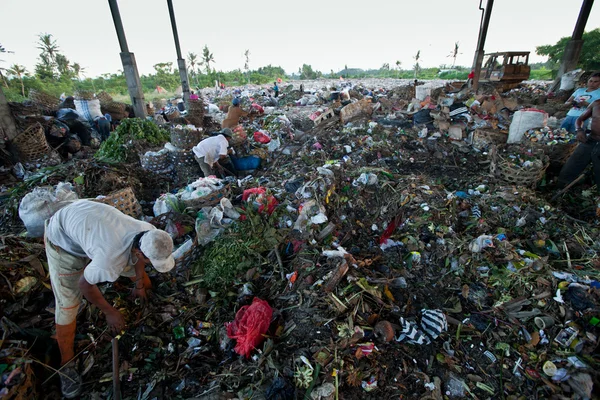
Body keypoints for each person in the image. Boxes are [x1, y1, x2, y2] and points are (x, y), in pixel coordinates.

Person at [45, 200, 175, 398]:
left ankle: (145, 293)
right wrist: (110, 312)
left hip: (87, 219)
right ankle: (66, 363)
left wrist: (139, 285)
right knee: (68, 304)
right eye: (152, 261)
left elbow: (138, 259)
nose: (150, 263)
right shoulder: (110, 261)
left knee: (136, 276)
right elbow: (84, 284)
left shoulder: (147, 231)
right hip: (62, 239)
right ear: (140, 252)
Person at [557, 99, 600, 193]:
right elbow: (580, 119)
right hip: (590, 140)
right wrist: (579, 130)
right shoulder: (596, 103)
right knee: (569, 168)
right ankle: (560, 190)